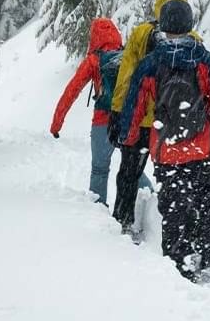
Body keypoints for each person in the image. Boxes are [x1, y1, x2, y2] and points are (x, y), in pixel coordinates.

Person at [118, 0, 210, 280]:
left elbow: (134, 106)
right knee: (208, 197)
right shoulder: (205, 61)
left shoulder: (151, 64)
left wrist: (128, 137)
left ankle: (180, 260)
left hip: (168, 150)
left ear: (162, 26)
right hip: (204, 148)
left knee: (174, 206)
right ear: (190, 24)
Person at [108, 0, 200, 235]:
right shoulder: (194, 40)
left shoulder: (140, 33)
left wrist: (117, 113)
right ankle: (180, 231)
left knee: (128, 172)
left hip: (140, 121)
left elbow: (126, 77)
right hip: (173, 124)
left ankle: (122, 221)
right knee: (176, 178)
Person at [49, 18, 147, 205]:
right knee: (133, 168)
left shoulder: (94, 60)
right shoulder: (127, 55)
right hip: (128, 121)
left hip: (102, 122)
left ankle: (99, 217)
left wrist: (56, 124)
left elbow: (71, 91)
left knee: (100, 170)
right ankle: (148, 204)